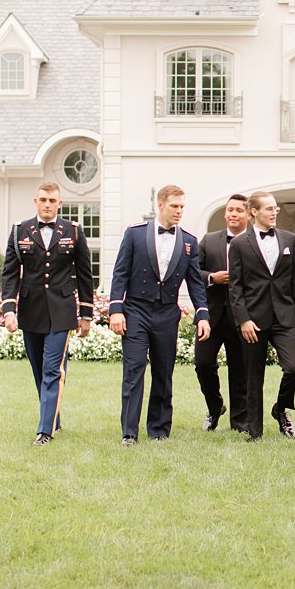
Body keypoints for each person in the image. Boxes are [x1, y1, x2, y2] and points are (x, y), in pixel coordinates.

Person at [107, 184, 211, 444]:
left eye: (182, 207)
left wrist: (203, 314)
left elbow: (195, 282)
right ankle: (129, 432)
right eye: (175, 206)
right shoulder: (134, 234)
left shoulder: (189, 241)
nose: (179, 211)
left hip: (167, 313)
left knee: (164, 372)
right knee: (134, 369)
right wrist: (115, 310)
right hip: (136, 310)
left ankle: (159, 431)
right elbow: (120, 273)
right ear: (160, 205)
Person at [0, 181, 94, 445]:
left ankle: (45, 431)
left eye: (52, 200)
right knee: (39, 370)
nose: (47, 204)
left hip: (62, 311)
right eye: (43, 199)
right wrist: (9, 310)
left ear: (60, 203)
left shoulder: (73, 232)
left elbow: (85, 276)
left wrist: (86, 314)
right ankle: (54, 416)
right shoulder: (19, 231)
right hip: (31, 310)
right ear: (36, 201)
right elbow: (9, 274)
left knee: (52, 369)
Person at [228, 192, 295, 441]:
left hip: (284, 317)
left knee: (294, 368)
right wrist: (243, 319)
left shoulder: (289, 239)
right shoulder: (239, 244)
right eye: (269, 209)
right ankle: (255, 433)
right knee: (253, 378)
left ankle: (280, 409)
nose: (274, 212)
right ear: (254, 212)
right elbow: (235, 287)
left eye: (276, 209)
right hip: (253, 320)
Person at [195, 192, 251, 432]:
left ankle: (240, 422)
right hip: (212, 316)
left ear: (249, 214)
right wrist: (211, 277)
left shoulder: (254, 242)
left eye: (239, 210)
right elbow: (192, 272)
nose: (233, 214)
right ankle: (215, 406)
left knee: (240, 370)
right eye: (230, 210)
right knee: (203, 364)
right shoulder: (209, 240)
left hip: (242, 318)